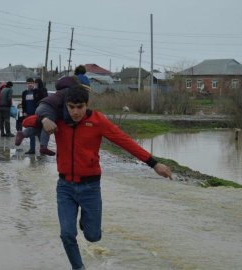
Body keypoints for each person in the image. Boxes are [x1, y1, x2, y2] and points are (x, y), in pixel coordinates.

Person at [37, 85, 173, 270]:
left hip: (90, 187)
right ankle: (78, 267)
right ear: (66, 106)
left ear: (87, 105)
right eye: (71, 107)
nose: (76, 112)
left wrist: (154, 164)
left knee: (93, 236)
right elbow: (30, 118)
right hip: (65, 187)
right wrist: (44, 118)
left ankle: (85, 222)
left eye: (80, 107)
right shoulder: (59, 120)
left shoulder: (97, 121)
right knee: (67, 234)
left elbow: (125, 141)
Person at [15, 78, 55, 156]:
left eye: (31, 83)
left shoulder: (37, 92)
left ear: (33, 84)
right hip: (28, 115)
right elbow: (23, 103)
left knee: (39, 132)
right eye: (28, 83)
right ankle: (32, 149)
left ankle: (42, 148)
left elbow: (42, 100)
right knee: (31, 132)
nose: (30, 84)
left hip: (37, 115)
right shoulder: (24, 93)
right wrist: (24, 112)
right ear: (26, 84)